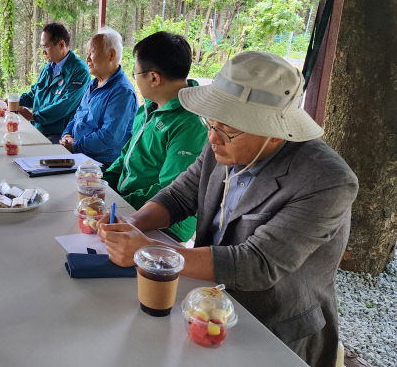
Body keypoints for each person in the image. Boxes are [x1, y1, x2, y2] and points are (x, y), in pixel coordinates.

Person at [98, 51, 358, 367]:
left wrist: (150, 251)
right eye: (210, 123)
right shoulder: (224, 139)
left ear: (275, 132)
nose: (212, 137)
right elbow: (180, 196)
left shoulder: (326, 181)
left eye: (226, 131)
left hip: (273, 330)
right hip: (207, 304)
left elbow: (257, 264)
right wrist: (132, 222)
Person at [102, 32, 207, 243]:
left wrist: (120, 203)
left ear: (153, 78)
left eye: (135, 74)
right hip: (128, 206)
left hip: (165, 225)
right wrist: (103, 185)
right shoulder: (148, 108)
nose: (134, 80)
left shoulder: (190, 124)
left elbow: (170, 190)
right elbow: (125, 156)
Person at [0, 22, 90, 143]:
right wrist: (7, 102)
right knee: (4, 139)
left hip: (59, 134)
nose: (43, 52)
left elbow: (64, 105)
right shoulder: (49, 68)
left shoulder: (79, 71)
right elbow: (33, 95)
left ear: (61, 44)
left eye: (46, 47)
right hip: (37, 127)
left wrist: (34, 116)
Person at [59, 27, 137, 167]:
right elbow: (78, 116)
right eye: (87, 53)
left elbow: (109, 138)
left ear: (111, 55)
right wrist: (66, 135)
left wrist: (75, 145)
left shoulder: (122, 92)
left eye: (92, 53)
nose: (87, 58)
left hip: (100, 164)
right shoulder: (93, 84)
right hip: (78, 154)